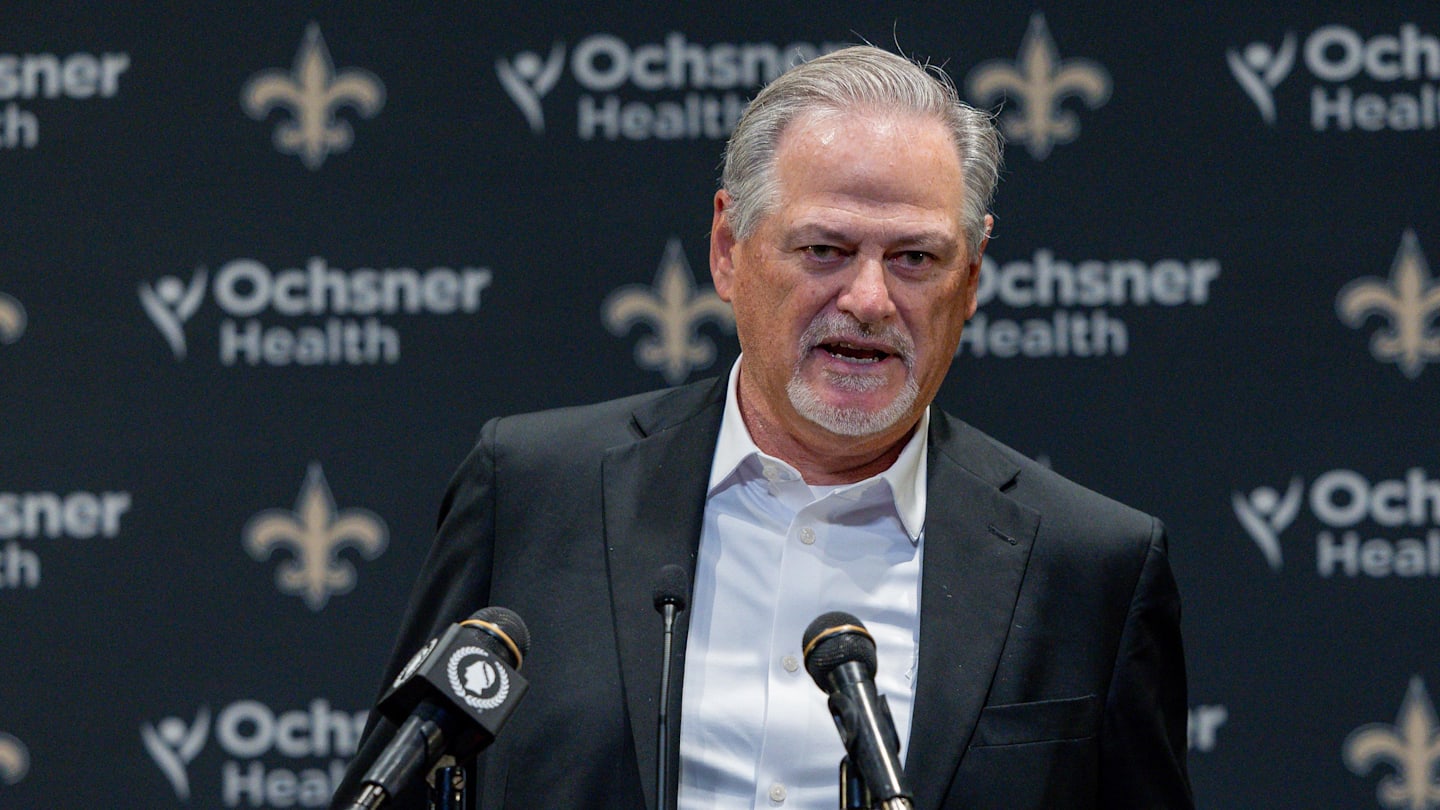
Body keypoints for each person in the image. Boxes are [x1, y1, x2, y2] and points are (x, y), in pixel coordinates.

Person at [334, 45, 1193, 809]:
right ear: (727, 248)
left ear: (970, 280)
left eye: (915, 258)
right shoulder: (531, 490)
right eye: (824, 250)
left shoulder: (1089, 567)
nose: (869, 299)